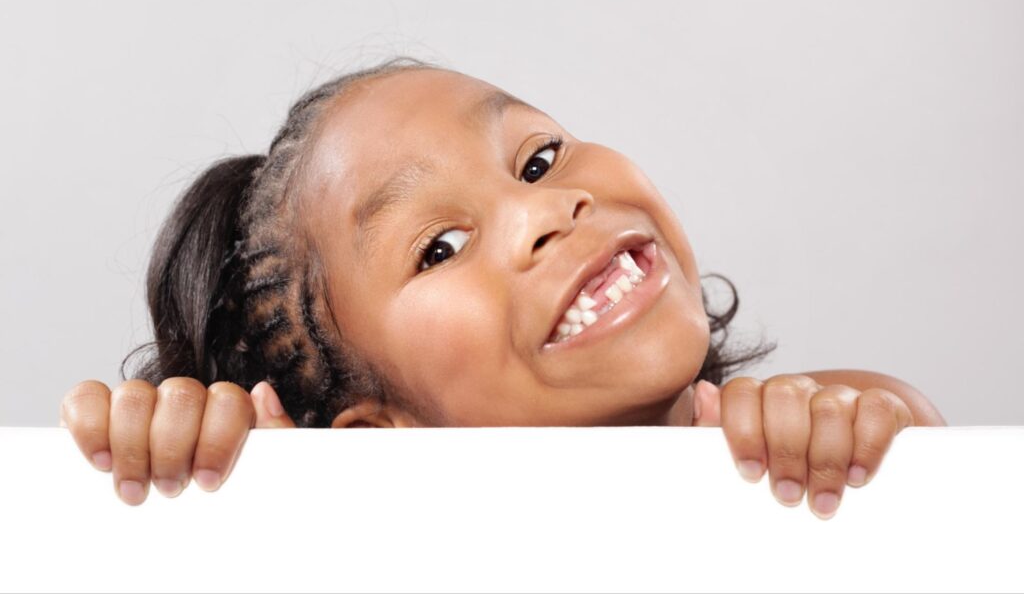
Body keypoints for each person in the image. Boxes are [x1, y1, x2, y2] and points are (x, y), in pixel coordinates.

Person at [59, 56, 946, 519]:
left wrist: (848, 437)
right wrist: (185, 471)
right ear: (375, 436)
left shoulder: (825, 437)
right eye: (440, 247)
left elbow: (927, 468)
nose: (545, 213)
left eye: (539, 158)